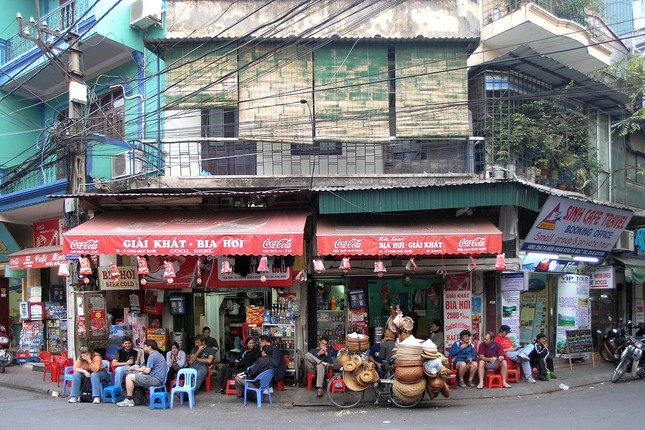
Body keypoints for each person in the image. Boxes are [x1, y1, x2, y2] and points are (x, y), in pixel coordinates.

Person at [117, 339, 169, 407]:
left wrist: (137, 370)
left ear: (149, 347)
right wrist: (134, 369)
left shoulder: (152, 356)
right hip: (159, 379)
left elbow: (147, 370)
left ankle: (129, 400)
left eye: (144, 346)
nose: (143, 348)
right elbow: (145, 369)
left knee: (129, 377)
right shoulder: (158, 354)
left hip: (156, 379)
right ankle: (140, 399)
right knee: (137, 375)